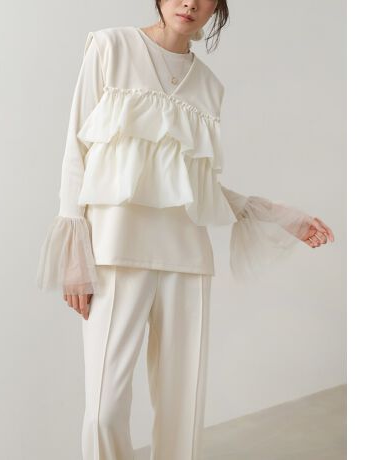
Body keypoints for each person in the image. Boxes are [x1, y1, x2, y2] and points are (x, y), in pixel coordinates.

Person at [36, 1, 335, 459]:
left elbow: (195, 186)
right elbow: (76, 152)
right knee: (103, 411)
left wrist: (275, 214)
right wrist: (74, 251)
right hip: (114, 251)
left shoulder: (209, 88)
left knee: (182, 408)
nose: (190, 2)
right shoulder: (110, 47)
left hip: (186, 259)